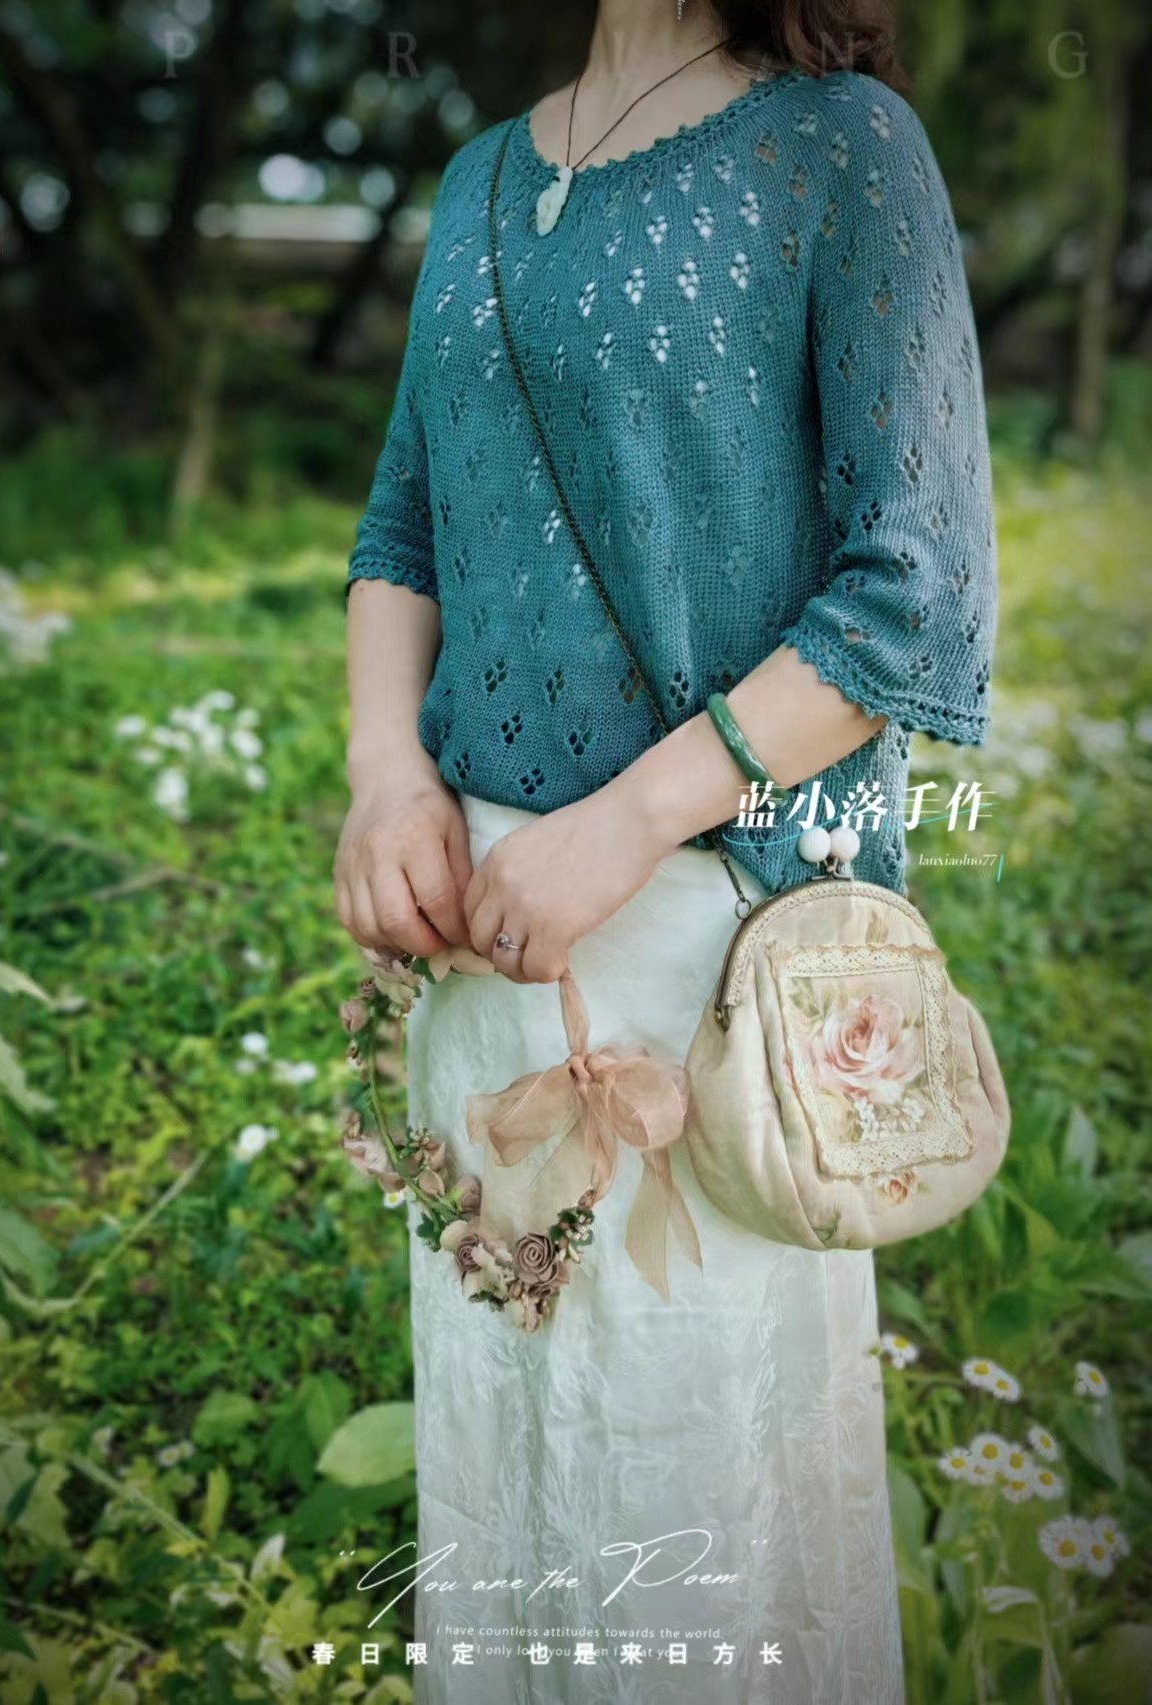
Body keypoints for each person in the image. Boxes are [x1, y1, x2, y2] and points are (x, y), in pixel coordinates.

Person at [335, 0, 996, 1697]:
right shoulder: (483, 176)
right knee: (514, 1456)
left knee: (694, 1466)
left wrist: (619, 824)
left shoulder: (845, 150)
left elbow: (908, 590)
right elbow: (402, 521)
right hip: (482, 936)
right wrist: (385, 777)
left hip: (708, 933)